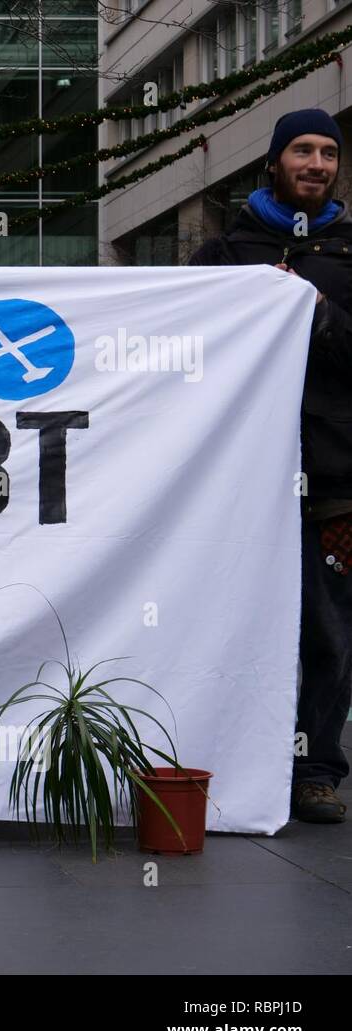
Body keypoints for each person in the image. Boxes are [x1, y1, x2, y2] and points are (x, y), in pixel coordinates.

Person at [190, 108, 351, 824]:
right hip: (243, 480)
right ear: (275, 160)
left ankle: (315, 770)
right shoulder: (226, 255)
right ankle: (230, 754)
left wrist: (319, 311)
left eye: (328, 153)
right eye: (302, 150)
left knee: (328, 629)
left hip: (337, 480)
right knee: (233, 618)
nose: (316, 164)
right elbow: (181, 346)